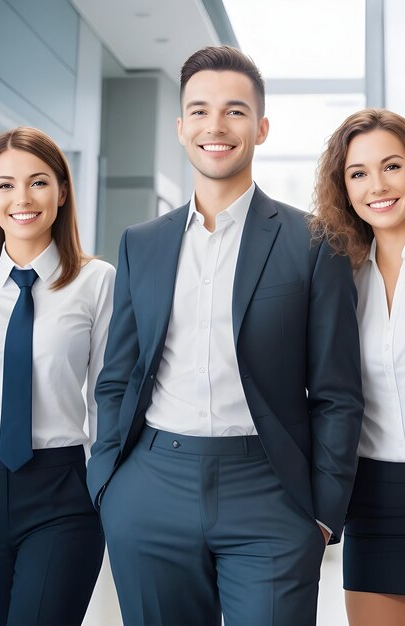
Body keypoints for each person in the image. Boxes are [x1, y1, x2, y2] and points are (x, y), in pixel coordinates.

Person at [88, 45, 363, 626]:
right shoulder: (143, 242)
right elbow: (118, 376)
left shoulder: (314, 242)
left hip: (271, 492)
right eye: (201, 110)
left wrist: (321, 512)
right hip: (151, 486)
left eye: (235, 111)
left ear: (261, 128)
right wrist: (108, 487)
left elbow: (338, 392)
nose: (216, 125)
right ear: (181, 127)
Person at [0, 126, 115, 626]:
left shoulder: (96, 281)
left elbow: (110, 396)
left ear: (62, 192)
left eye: (38, 182)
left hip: (62, 491)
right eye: (5, 184)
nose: (22, 198)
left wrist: (107, 489)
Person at [311, 108, 405, 626]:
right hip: (374, 496)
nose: (378, 186)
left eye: (393, 166)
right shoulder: (340, 280)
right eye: (359, 173)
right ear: (343, 187)